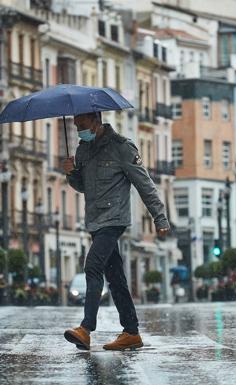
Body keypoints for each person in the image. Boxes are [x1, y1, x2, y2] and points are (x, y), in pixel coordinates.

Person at [62, 112, 170, 351]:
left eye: (83, 125)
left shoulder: (121, 147)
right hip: (94, 220)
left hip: (114, 218)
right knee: (115, 277)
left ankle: (85, 328)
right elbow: (82, 185)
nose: (80, 129)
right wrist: (71, 172)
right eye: (77, 126)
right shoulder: (83, 150)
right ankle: (131, 332)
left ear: (97, 121)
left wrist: (159, 217)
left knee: (92, 265)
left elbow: (144, 183)